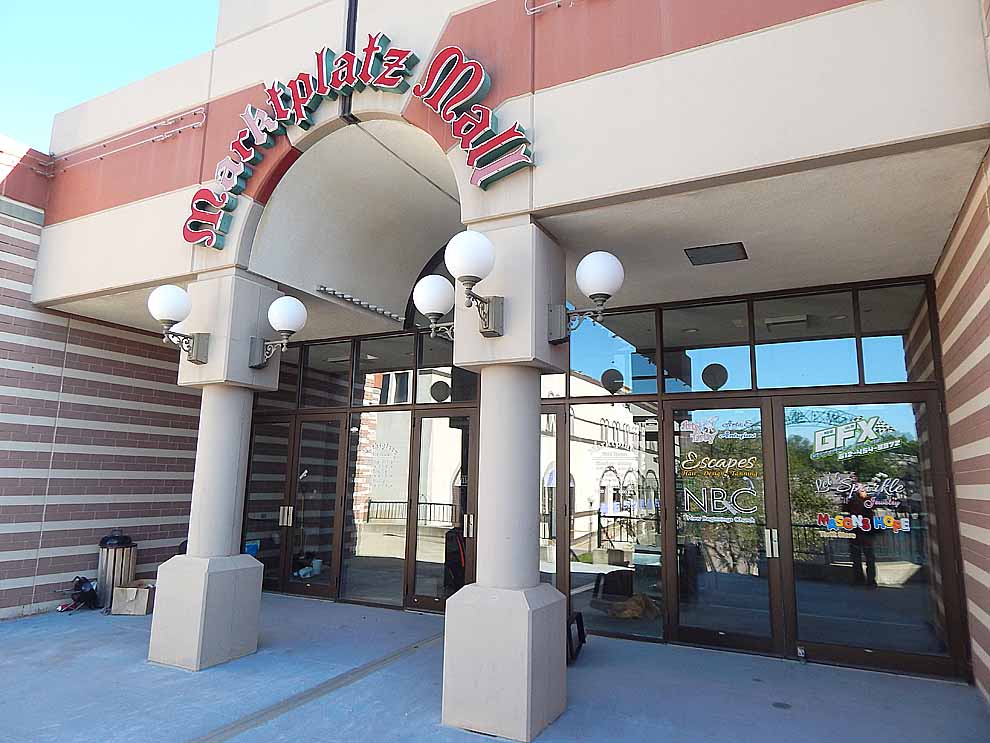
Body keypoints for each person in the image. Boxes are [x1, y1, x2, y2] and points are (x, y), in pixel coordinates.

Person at [848, 484, 877, 587]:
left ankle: (861, 579)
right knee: (867, 558)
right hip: (863, 533)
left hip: (858, 533)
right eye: (863, 490)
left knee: (859, 558)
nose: (865, 492)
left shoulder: (853, 501)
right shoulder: (862, 502)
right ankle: (869, 580)